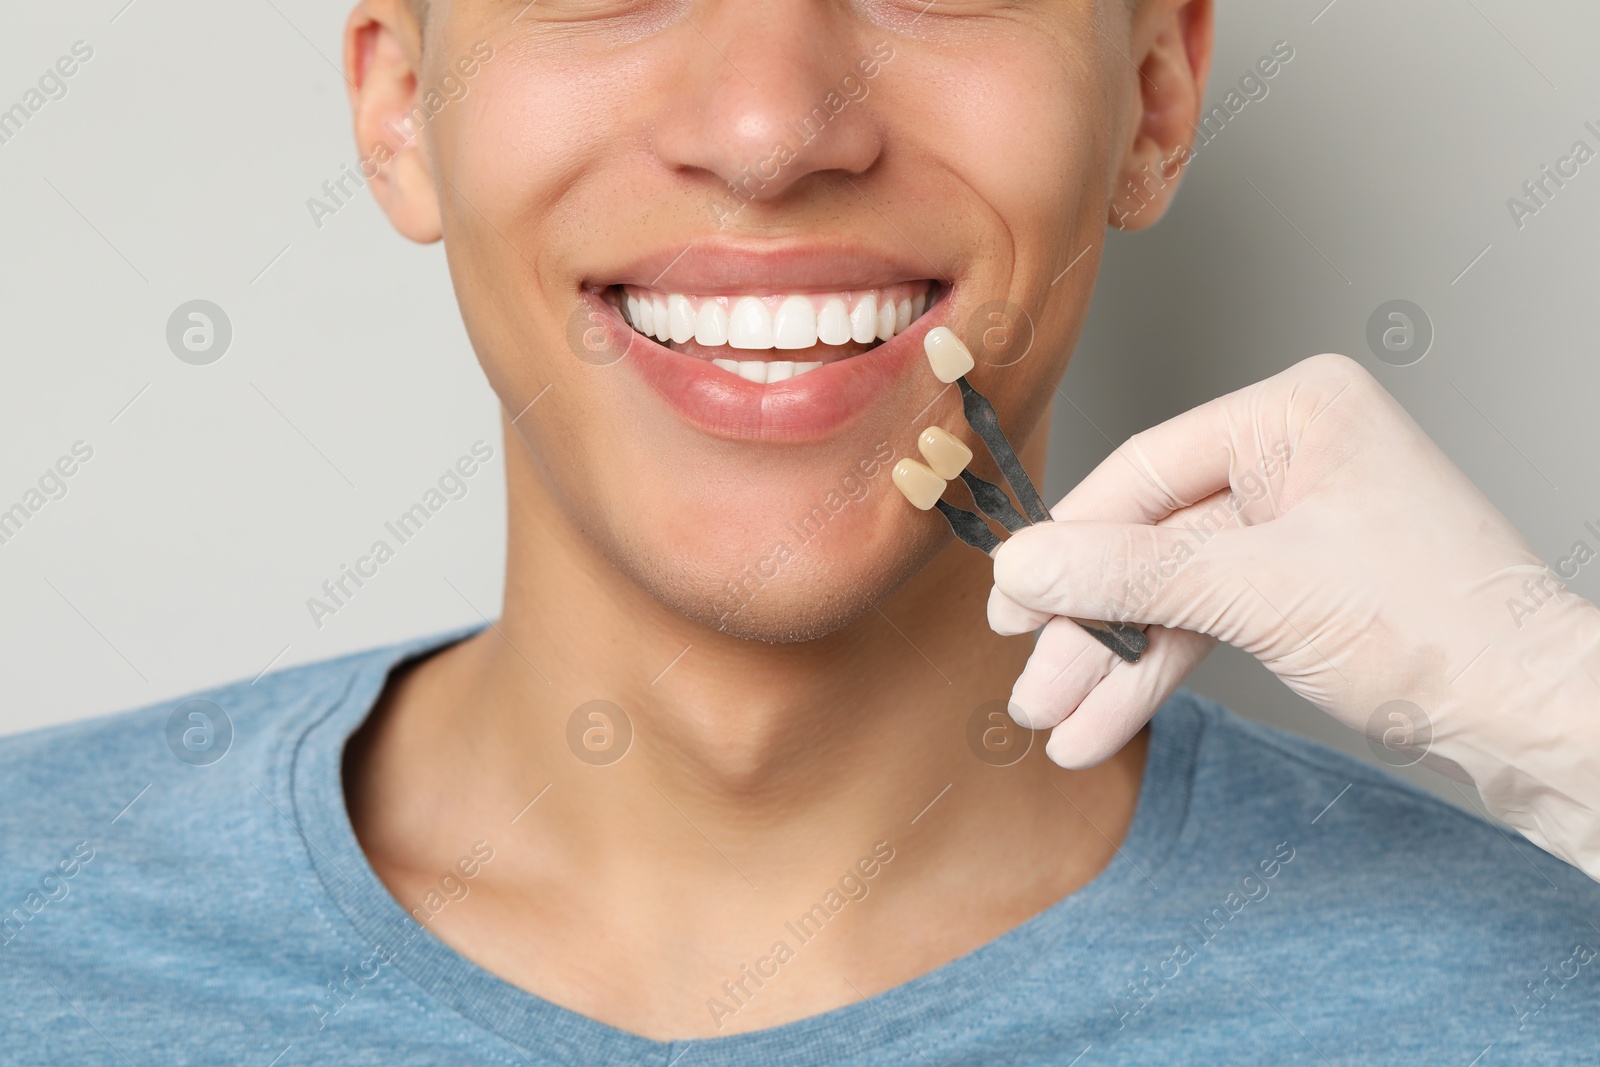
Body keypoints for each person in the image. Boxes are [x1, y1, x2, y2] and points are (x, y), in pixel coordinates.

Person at [4, 0, 1598, 1062]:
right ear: (400, 104)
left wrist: (1568, 712)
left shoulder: (1530, 992)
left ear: (1156, 99)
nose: (772, 131)